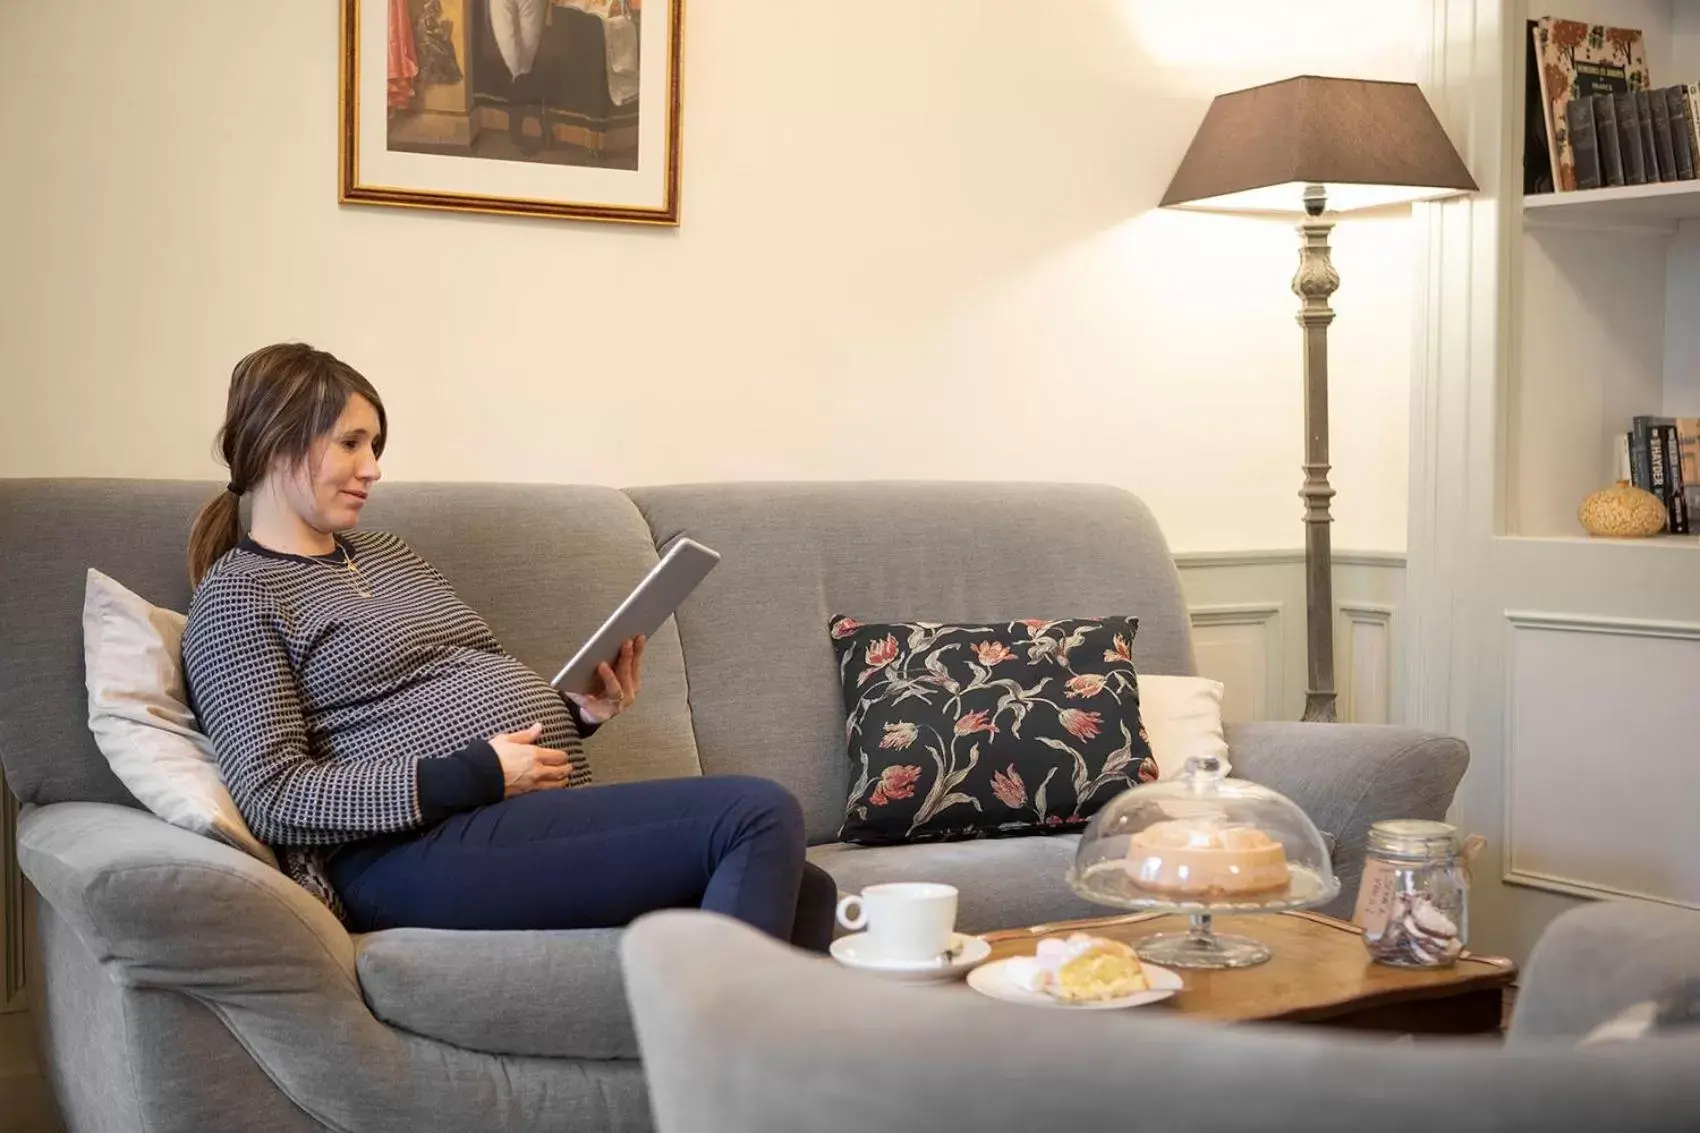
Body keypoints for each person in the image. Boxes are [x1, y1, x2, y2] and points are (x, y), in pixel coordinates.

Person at [181, 342, 835, 950]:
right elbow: (273, 793)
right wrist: (478, 774)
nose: (373, 468)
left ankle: (761, 1067)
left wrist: (579, 710)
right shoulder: (237, 598)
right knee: (757, 812)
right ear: (276, 443)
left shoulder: (387, 554)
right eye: (351, 442)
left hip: (515, 819)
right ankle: (716, 1067)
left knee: (810, 889)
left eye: (375, 444)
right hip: (408, 853)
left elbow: (473, 690)